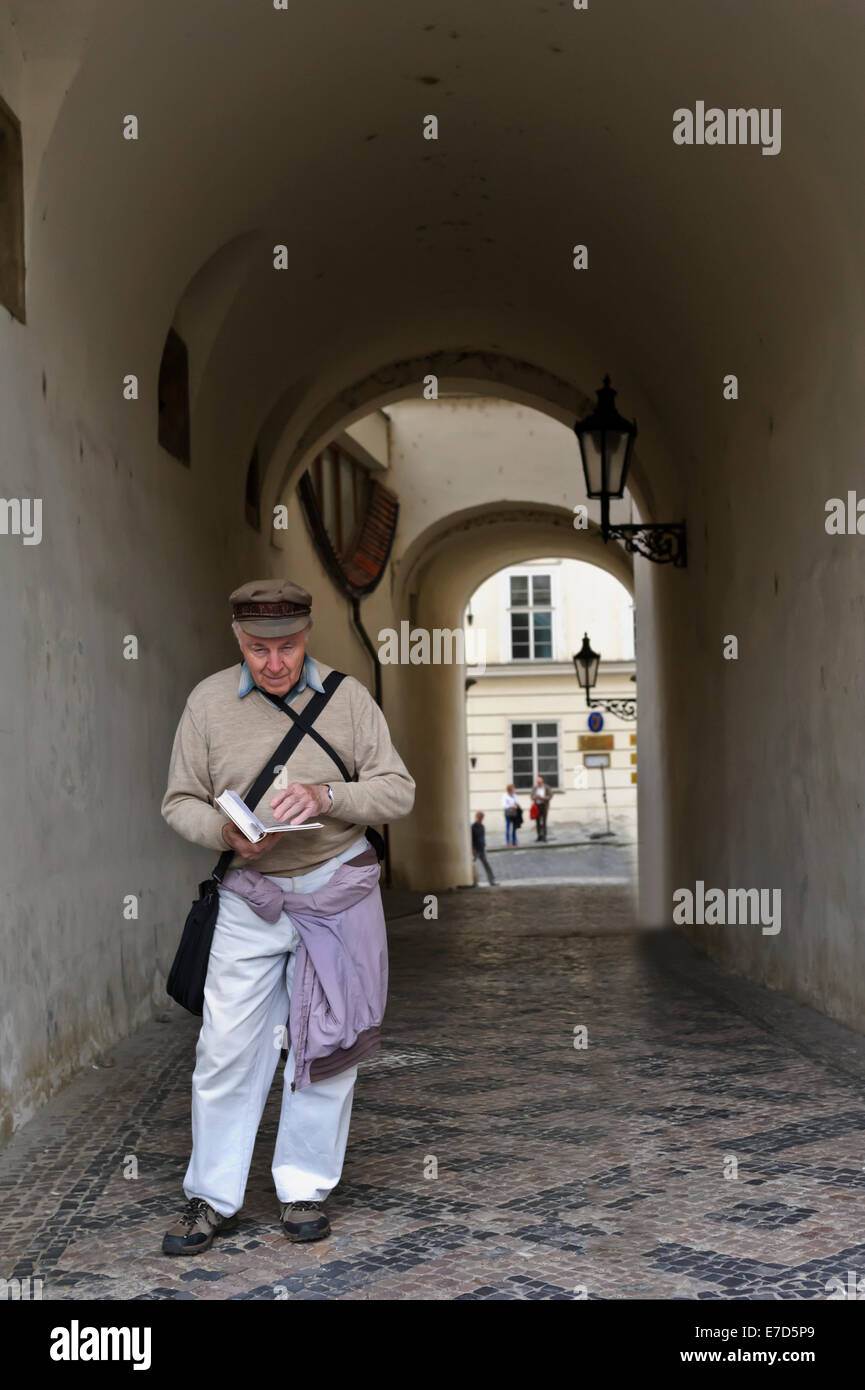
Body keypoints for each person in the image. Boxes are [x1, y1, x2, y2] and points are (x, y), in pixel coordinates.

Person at [160, 578, 415, 1255]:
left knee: (327, 1045)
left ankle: (303, 1187)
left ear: (307, 633)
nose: (273, 663)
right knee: (224, 1047)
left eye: (287, 647)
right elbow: (179, 800)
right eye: (256, 649)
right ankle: (211, 1197)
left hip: (336, 890)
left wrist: (328, 794)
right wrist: (223, 834)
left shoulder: (348, 698)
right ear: (236, 639)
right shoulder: (208, 703)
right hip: (251, 893)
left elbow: (397, 789)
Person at [471, 811, 497, 885]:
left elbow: (482, 837)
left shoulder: (482, 827)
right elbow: (471, 838)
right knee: (472, 865)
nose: (480, 819)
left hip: (481, 848)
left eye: (482, 818)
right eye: (479, 817)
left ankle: (492, 881)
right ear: (476, 817)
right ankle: (473, 881)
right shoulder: (473, 827)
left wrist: (484, 844)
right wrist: (472, 847)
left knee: (487, 864)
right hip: (475, 849)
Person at [532, 775, 553, 842]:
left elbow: (550, 796)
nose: (539, 783)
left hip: (544, 806)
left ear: (542, 781)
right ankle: (539, 836)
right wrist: (534, 797)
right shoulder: (535, 788)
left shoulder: (546, 787)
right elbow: (531, 796)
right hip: (537, 806)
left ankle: (544, 836)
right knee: (537, 822)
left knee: (544, 822)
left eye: (540, 782)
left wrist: (543, 798)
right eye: (538, 782)